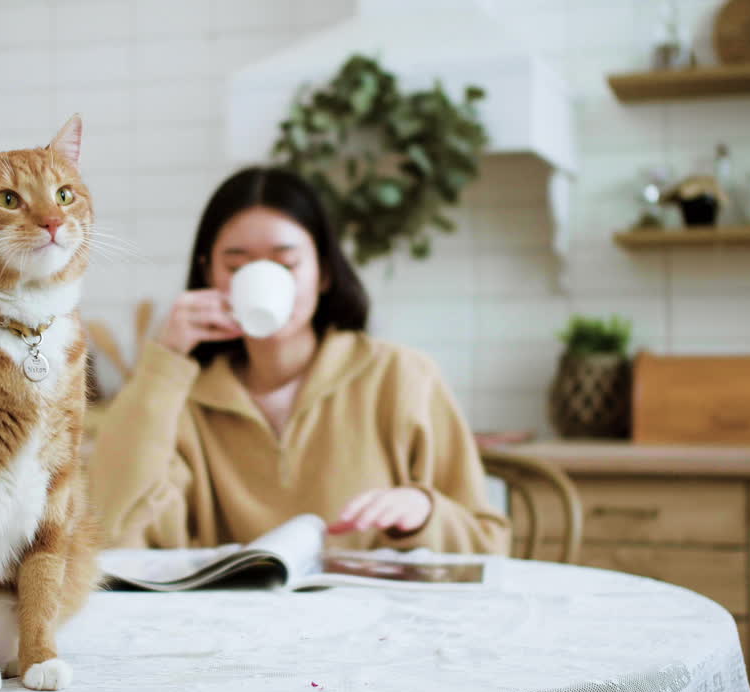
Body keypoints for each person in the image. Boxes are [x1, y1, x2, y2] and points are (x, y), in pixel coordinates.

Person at [87, 166, 509, 554]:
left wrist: (423, 512)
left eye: (286, 263)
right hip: (237, 629)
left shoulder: (401, 376)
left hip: (379, 628)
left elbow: (488, 543)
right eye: (236, 266)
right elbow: (110, 528)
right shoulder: (183, 400)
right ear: (210, 274)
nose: (262, 279)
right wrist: (164, 363)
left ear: (323, 273)